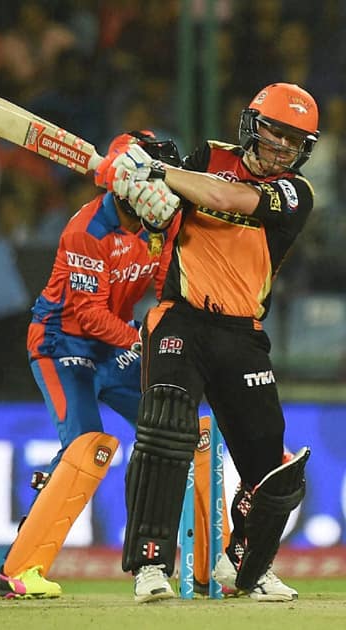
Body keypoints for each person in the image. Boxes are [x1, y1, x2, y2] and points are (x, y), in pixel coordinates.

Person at [94, 82, 319, 602]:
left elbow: (223, 197)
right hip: (181, 320)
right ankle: (151, 568)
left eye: (294, 140)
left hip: (243, 333)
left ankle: (245, 569)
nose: (282, 147)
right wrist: (136, 180)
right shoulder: (209, 156)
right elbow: (157, 205)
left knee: (273, 467)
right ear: (252, 126)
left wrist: (160, 174)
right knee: (166, 434)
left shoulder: (296, 192)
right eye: (275, 133)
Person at [0, 130, 230, 599]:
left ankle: (206, 569)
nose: (165, 196)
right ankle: (19, 571)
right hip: (62, 344)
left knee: (183, 428)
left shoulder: (157, 229)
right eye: (155, 182)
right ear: (127, 184)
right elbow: (88, 314)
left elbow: (167, 290)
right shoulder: (88, 231)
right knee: (85, 446)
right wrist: (144, 342)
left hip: (114, 344)